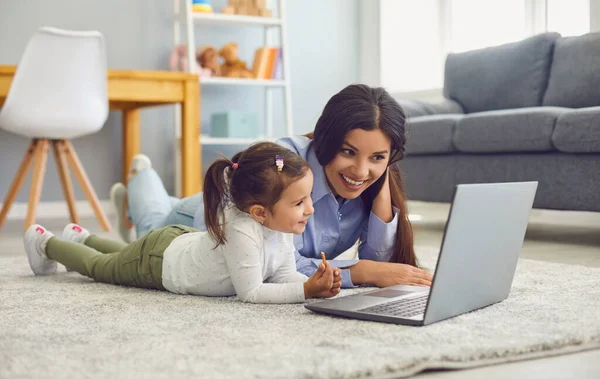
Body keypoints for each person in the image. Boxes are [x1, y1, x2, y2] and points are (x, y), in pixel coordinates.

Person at [111, 84, 433, 289]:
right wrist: (361, 271)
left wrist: (381, 181)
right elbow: (268, 263)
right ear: (325, 140)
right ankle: (142, 177)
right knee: (152, 225)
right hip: (202, 223)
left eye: (378, 156)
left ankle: (142, 193)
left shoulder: (370, 180)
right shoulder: (282, 165)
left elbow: (381, 260)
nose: (360, 171)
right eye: (348, 152)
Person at [23, 143, 342, 304]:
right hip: (159, 263)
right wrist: (305, 291)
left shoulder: (280, 228)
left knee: (121, 254)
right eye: (300, 203)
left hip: (176, 243)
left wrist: (314, 282)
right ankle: (45, 242)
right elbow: (252, 293)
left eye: (308, 198)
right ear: (259, 212)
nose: (310, 210)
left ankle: (82, 237)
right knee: (100, 267)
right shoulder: (243, 230)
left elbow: (282, 274)